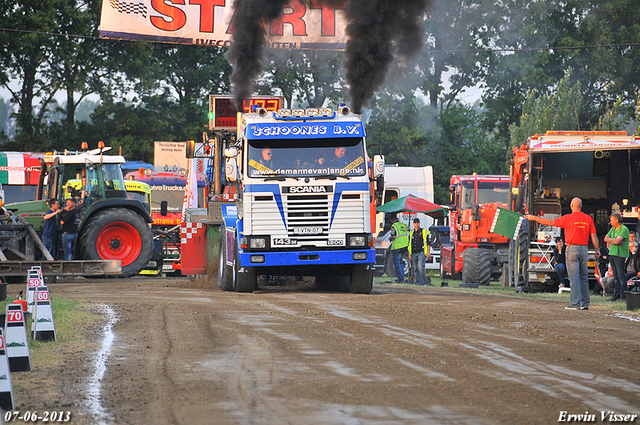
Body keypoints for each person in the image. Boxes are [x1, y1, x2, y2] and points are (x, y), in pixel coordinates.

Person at [526, 197, 599, 310]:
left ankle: (575, 303)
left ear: (571, 206)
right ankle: (585, 303)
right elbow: (593, 235)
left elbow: (550, 222)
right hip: (584, 248)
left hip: (572, 248)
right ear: (581, 206)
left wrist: (534, 218)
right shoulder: (588, 218)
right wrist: (597, 249)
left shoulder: (568, 218)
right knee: (584, 277)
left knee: (573, 277)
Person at [604, 213, 629, 302]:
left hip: (620, 255)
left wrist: (613, 241)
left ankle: (623, 295)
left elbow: (617, 240)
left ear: (617, 220)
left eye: (611, 220)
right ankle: (616, 295)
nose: (610, 222)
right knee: (616, 276)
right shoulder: (612, 229)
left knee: (621, 275)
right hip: (612, 253)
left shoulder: (624, 229)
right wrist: (614, 241)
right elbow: (605, 238)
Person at [408, 218, 432, 286]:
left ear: (419, 223)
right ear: (413, 224)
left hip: (421, 252)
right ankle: (417, 282)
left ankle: (424, 282)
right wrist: (409, 254)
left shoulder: (423, 232)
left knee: (420, 267)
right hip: (413, 253)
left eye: (417, 222)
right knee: (415, 268)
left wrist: (428, 252)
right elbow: (409, 244)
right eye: (415, 223)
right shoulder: (411, 233)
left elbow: (428, 243)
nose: (416, 224)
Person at [389, 214, 409, 283]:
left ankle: (401, 279)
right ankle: (402, 278)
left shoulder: (394, 226)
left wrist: (390, 238)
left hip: (397, 247)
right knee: (401, 263)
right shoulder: (403, 225)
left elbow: (393, 236)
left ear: (392, 220)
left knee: (397, 263)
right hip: (404, 246)